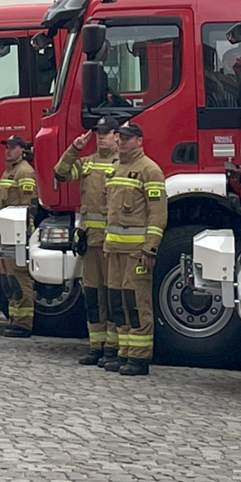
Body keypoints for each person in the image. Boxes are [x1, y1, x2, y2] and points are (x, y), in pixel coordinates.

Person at [103, 122, 165, 376]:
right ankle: (124, 352)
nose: (122, 142)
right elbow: (111, 212)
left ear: (140, 140)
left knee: (137, 302)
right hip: (115, 250)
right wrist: (107, 243)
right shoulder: (116, 168)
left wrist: (150, 249)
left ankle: (139, 358)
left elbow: (158, 214)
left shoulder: (150, 171)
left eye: (128, 138)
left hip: (137, 252)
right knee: (118, 301)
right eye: (120, 137)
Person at [56, 118, 118, 363]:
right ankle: (96, 346)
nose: (101, 137)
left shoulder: (121, 164)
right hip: (91, 242)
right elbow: (60, 173)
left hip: (113, 244)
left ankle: (113, 347)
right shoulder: (87, 163)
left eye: (106, 133)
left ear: (116, 136)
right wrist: (75, 148)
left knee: (112, 295)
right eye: (98, 133)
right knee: (92, 294)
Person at [0, 135, 38, 337]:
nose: (8, 151)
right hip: (5, 231)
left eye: (12, 147)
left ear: (22, 149)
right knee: (9, 280)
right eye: (7, 147)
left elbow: (28, 206)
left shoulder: (24, 172)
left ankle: (23, 323)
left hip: (17, 232)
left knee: (19, 278)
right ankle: (14, 319)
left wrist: (23, 233)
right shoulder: (8, 171)